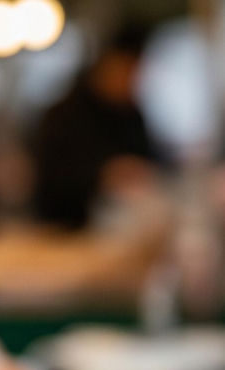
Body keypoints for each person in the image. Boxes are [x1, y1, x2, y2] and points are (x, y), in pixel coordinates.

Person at [31, 24, 158, 229]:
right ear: (106, 65)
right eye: (127, 71)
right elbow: (49, 182)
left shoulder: (132, 113)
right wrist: (103, 175)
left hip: (127, 230)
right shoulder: (63, 116)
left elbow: (150, 162)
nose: (132, 81)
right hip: (66, 231)